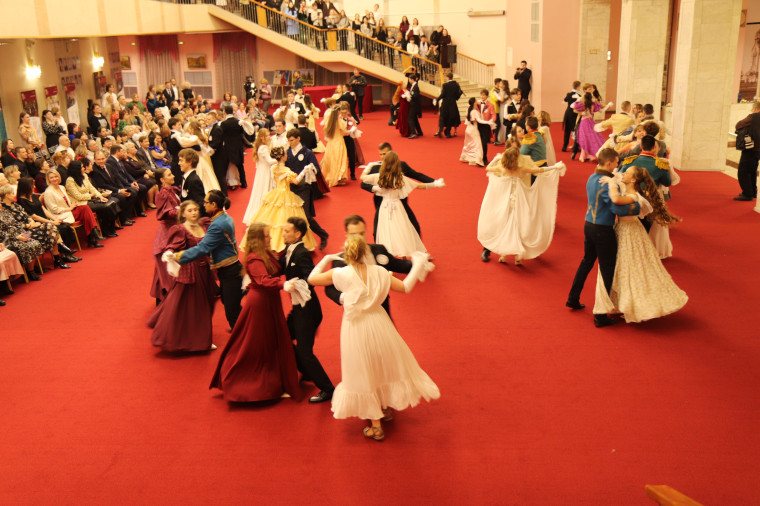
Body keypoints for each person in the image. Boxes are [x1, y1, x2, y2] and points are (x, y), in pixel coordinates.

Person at [308, 233, 440, 441]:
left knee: (362, 369)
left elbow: (311, 279)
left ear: (347, 254)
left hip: (355, 327)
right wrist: (416, 265)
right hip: (380, 323)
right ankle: (384, 406)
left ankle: (376, 425)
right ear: (365, 252)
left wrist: (325, 259)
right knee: (381, 364)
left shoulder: (340, 273)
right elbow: (406, 287)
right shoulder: (380, 272)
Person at [209, 222, 301, 402]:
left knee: (269, 341)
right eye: (267, 235)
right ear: (258, 239)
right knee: (259, 343)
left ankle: (274, 381)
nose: (270, 237)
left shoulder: (265, 254)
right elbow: (263, 280)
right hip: (260, 304)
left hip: (269, 301)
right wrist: (283, 284)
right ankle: (251, 384)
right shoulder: (254, 258)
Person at [593, 167, 688, 322]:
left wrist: (611, 183)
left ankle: (633, 304)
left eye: (627, 173)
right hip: (621, 229)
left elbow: (616, 200)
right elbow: (616, 175)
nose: (623, 173)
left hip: (630, 231)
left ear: (633, 180)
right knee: (621, 267)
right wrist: (612, 176)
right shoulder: (625, 187)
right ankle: (619, 302)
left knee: (631, 267)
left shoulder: (634, 196)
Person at [566, 148, 641, 328]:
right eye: (616, 162)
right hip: (603, 229)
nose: (617, 165)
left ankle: (573, 298)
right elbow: (616, 208)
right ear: (608, 163)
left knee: (586, 262)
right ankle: (600, 315)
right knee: (608, 270)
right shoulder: (606, 183)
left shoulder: (591, 177)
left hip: (589, 225)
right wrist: (636, 206)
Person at [148, 200, 217, 352]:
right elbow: (173, 246)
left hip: (206, 270)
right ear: (183, 213)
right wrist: (169, 252)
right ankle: (198, 340)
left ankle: (201, 336)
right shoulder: (180, 229)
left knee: (207, 303)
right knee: (194, 306)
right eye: (190, 210)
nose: (194, 213)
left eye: (195, 210)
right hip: (190, 271)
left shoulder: (204, 225)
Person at [478, 146, 566, 264]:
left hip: (506, 200)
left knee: (505, 223)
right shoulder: (521, 169)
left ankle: (503, 254)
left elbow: (488, 168)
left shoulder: (502, 168)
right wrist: (555, 167)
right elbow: (539, 170)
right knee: (519, 225)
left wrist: (496, 158)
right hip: (520, 199)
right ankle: (518, 256)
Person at [280, 217, 334, 403]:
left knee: (305, 352)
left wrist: (296, 284)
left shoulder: (301, 253)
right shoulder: (289, 250)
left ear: (297, 234)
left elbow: (311, 279)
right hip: (298, 309)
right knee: (283, 337)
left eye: (287, 231)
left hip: (307, 310)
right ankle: (306, 371)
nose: (283, 233)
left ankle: (328, 388)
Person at [175, 190, 243, 330]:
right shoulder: (223, 217)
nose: (203, 205)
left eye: (206, 202)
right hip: (231, 268)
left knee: (232, 310)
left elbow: (203, 248)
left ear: (213, 204)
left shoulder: (217, 225)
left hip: (230, 271)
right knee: (229, 302)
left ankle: (242, 336)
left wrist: (179, 256)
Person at [361, 151, 444, 257]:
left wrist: (369, 167)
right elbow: (419, 186)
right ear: (397, 164)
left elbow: (363, 178)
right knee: (402, 230)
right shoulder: (400, 178)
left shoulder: (378, 176)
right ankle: (404, 255)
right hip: (397, 207)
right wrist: (435, 184)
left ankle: (387, 256)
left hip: (384, 207)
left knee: (386, 230)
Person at [245, 147, 317, 252]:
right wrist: (304, 170)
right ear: (282, 157)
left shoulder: (273, 168)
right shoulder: (286, 170)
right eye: (286, 154)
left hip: (275, 194)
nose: (287, 156)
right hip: (285, 195)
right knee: (284, 218)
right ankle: (282, 244)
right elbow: (296, 181)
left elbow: (275, 182)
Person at [284, 128, 329, 249]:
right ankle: (298, 242)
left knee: (306, 215)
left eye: (292, 140)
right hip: (291, 188)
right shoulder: (287, 153)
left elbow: (317, 170)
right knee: (293, 216)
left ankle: (323, 234)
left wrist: (309, 170)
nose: (290, 143)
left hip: (304, 187)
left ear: (298, 139)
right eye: (289, 141)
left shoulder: (307, 152)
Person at [64, 159, 116, 243]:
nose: (84, 168)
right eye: (81, 167)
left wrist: (100, 196)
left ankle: (110, 229)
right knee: (105, 207)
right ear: (76, 169)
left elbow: (92, 188)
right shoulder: (70, 180)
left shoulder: (84, 175)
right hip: (79, 204)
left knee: (110, 204)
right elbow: (78, 196)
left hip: (89, 200)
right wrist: (91, 196)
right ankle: (105, 231)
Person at [149, 168, 181, 303]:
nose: (173, 176)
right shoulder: (161, 194)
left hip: (175, 229)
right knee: (166, 265)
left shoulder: (172, 190)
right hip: (168, 232)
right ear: (162, 180)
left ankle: (161, 295)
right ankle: (167, 296)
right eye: (169, 175)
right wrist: (182, 210)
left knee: (163, 267)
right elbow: (166, 214)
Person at [243, 129, 276, 224]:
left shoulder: (260, 147)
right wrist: (279, 159)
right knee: (265, 190)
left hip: (261, 171)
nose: (269, 137)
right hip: (265, 172)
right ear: (262, 137)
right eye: (267, 135)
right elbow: (269, 162)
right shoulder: (264, 148)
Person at [733, 101, 760, 201]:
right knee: (752, 171)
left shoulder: (753, 117)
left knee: (743, 171)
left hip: (750, 148)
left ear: (756, 109)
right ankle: (753, 192)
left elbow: (738, 125)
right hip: (758, 149)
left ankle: (747, 194)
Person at [321, 105, 349, 186]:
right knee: (339, 160)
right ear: (339, 112)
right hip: (339, 142)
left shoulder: (329, 122)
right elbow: (344, 132)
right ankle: (337, 178)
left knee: (331, 160)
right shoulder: (340, 122)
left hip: (330, 143)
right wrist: (349, 132)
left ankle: (331, 176)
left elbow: (325, 131)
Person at [460, 98, 490, 166]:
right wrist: (488, 122)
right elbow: (479, 120)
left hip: (468, 129)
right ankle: (477, 159)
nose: (477, 102)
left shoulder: (469, 110)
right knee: (477, 145)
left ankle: (467, 157)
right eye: (476, 101)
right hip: (473, 129)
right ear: (474, 103)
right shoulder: (474, 111)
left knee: (469, 144)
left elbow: (467, 121)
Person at [435, 72, 463, 138]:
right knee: (450, 118)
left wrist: (437, 99)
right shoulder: (456, 85)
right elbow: (457, 97)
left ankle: (441, 128)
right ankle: (448, 132)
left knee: (442, 116)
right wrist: (460, 93)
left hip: (445, 104)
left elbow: (443, 95)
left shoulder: (445, 85)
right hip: (453, 104)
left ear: (447, 77)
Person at [178, 148, 206, 215]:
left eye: (181, 161)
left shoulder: (194, 180)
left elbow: (199, 202)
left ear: (189, 162)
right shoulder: (187, 177)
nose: (179, 163)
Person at [475, 89, 496, 165]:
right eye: (481, 95)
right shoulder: (477, 104)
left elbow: (494, 115)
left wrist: (491, 121)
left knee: (484, 142)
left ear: (487, 96)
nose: (482, 96)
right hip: (478, 125)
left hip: (486, 125)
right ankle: (478, 158)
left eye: (484, 95)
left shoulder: (490, 105)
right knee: (478, 142)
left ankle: (484, 158)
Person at [562, 81, 582, 152]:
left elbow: (564, 101)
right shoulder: (579, 96)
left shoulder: (569, 94)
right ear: (578, 86)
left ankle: (564, 146)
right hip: (574, 114)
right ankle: (575, 147)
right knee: (576, 130)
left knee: (567, 130)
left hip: (568, 113)